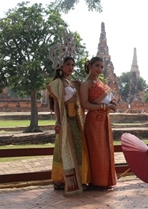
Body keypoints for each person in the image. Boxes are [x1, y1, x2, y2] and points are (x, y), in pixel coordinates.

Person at [47, 56, 91, 195]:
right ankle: (61, 180)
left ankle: (77, 179)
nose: (71, 67)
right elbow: (58, 106)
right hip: (66, 119)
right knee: (65, 148)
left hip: (75, 119)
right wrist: (58, 122)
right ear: (61, 66)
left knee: (78, 148)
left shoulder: (70, 82)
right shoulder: (58, 83)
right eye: (68, 64)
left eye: (72, 64)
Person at [80, 56, 117, 190]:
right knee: (96, 151)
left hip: (104, 119)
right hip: (94, 120)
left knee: (106, 149)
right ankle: (96, 181)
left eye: (101, 67)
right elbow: (84, 104)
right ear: (90, 66)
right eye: (97, 66)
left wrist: (112, 103)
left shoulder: (100, 82)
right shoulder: (86, 84)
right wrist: (103, 107)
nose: (99, 69)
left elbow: (107, 98)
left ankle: (105, 180)